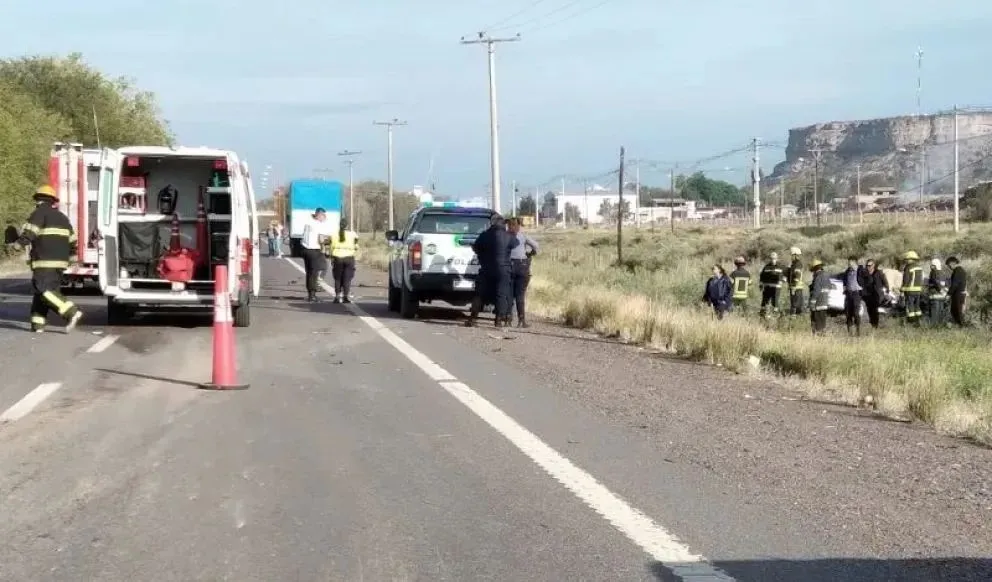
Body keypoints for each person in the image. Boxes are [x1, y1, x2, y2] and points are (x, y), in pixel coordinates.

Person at [6, 185, 84, 333]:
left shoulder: (38, 213)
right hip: (60, 263)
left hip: (44, 261)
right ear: (52, 201)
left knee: (43, 290)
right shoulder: (62, 217)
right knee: (44, 293)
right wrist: (72, 259)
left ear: (37, 200)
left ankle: (71, 312)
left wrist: (17, 245)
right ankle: (38, 325)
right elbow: (72, 240)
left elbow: (30, 233)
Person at [466, 215, 518, 328]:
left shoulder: (484, 235)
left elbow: (475, 247)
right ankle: (498, 320)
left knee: (480, 293)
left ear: (492, 223)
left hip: (486, 268)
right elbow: (515, 244)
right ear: (503, 224)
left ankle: (473, 318)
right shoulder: (509, 236)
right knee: (501, 294)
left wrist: (482, 254)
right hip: (504, 269)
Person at [506, 217, 539, 327]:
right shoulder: (523, 236)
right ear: (519, 226)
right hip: (522, 266)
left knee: (509, 295)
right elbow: (536, 246)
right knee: (520, 295)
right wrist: (530, 254)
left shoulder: (504, 236)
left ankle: (508, 320)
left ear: (508, 225)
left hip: (508, 266)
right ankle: (521, 320)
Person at [300, 208, 333, 302]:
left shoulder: (308, 223)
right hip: (314, 250)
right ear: (319, 215)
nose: (325, 218)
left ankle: (310, 293)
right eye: (324, 216)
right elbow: (323, 239)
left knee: (309, 272)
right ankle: (312, 294)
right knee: (315, 272)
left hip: (305, 249)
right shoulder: (319, 225)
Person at [329, 218, 359, 303]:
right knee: (347, 278)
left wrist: (331, 257)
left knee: (338, 278)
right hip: (349, 258)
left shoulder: (334, 235)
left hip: (337, 258)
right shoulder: (353, 234)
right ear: (347, 226)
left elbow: (331, 247)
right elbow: (356, 246)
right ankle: (346, 297)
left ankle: (337, 296)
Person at [838, 255, 863, 336]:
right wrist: (844, 289)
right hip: (848, 294)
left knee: (856, 313)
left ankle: (858, 331)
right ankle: (850, 333)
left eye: (850, 262)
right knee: (848, 314)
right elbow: (844, 282)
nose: (849, 263)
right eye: (848, 262)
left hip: (857, 294)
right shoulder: (847, 271)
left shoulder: (860, 271)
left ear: (855, 262)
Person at [861, 258, 889, 329]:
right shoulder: (865, 274)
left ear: (874, 265)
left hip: (877, 294)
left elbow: (885, 282)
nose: (868, 267)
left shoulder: (879, 273)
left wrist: (887, 290)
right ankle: (872, 323)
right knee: (869, 309)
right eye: (867, 265)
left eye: (870, 265)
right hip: (867, 294)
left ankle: (875, 324)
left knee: (874, 309)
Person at [900, 250, 924, 326]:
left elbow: (906, 279)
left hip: (909, 290)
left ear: (910, 259)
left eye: (907, 259)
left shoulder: (908, 267)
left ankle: (911, 322)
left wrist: (902, 289)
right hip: (918, 290)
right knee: (917, 306)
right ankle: (919, 320)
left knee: (910, 306)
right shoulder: (919, 267)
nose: (906, 261)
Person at [758, 251, 785, 318]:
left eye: (774, 258)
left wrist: (782, 280)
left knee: (775, 302)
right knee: (765, 301)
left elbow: (784, 276)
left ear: (777, 259)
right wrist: (761, 285)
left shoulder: (780, 267)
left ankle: (777, 315)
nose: (773, 260)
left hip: (776, 288)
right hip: (767, 287)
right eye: (772, 258)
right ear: (770, 259)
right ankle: (763, 314)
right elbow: (762, 276)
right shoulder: (766, 267)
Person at [808, 259, 831, 335]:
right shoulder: (826, 276)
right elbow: (829, 287)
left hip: (818, 303)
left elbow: (816, 291)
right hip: (824, 303)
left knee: (816, 322)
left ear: (815, 268)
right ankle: (822, 337)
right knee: (822, 322)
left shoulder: (818, 277)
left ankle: (817, 338)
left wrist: (812, 302)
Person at [926, 258, 948, 327]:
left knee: (934, 313)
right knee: (940, 312)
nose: (931, 267)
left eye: (932, 265)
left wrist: (940, 290)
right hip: (942, 297)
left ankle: (933, 327)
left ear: (935, 266)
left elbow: (936, 282)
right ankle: (940, 326)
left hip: (934, 296)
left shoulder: (933, 272)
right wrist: (944, 292)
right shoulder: (943, 273)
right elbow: (946, 283)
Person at [946, 256, 968, 327]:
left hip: (958, 294)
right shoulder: (960, 270)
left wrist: (949, 294)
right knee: (955, 311)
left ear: (952, 263)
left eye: (949, 265)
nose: (949, 267)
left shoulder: (958, 271)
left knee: (958, 312)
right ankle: (959, 326)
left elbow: (955, 284)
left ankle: (962, 327)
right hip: (960, 293)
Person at [787, 246, 805, 316]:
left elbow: (797, 275)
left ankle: (794, 320)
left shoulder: (797, 264)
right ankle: (796, 318)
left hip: (796, 288)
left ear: (795, 255)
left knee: (795, 304)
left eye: (791, 255)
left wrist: (794, 285)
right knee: (795, 304)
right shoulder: (793, 264)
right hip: (795, 287)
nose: (791, 257)